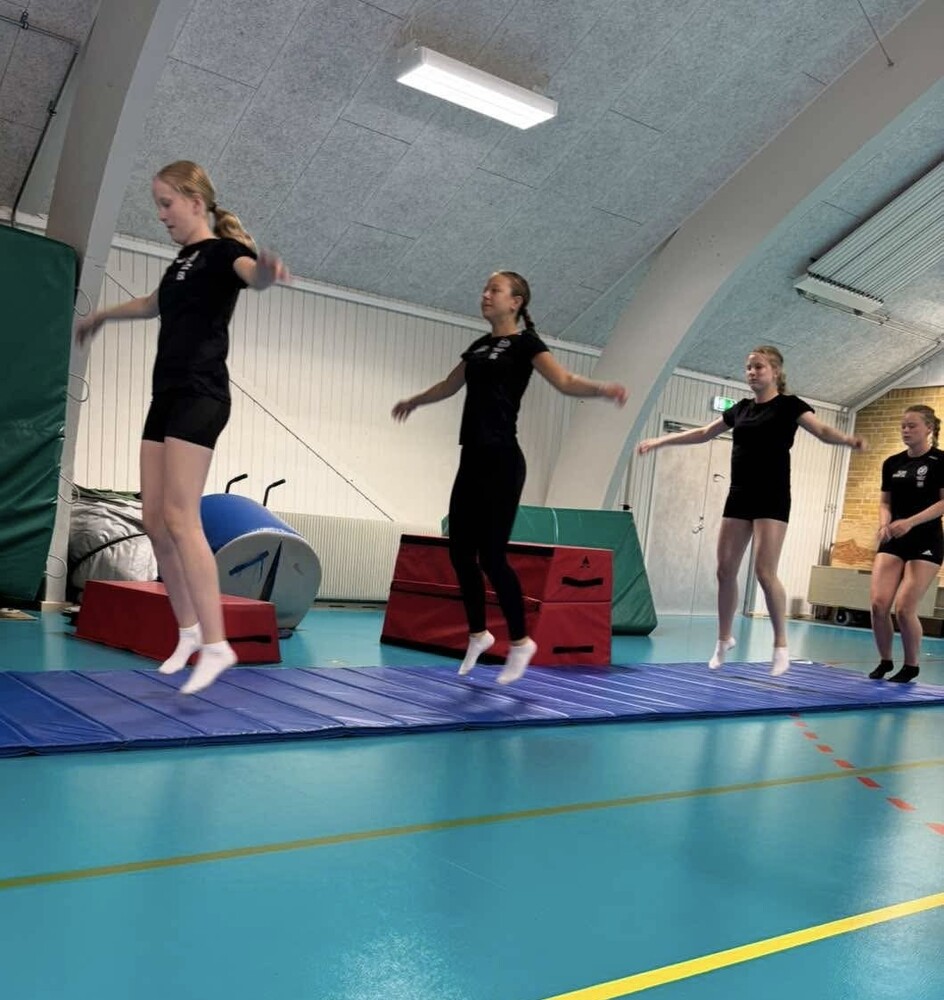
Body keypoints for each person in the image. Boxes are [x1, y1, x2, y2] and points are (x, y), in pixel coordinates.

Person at [75, 160, 289, 694]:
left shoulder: (222, 252)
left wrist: (266, 272)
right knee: (153, 518)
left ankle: (218, 645)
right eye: (159, 205)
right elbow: (153, 304)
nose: (161, 214)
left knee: (180, 516)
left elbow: (251, 275)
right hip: (166, 397)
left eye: (167, 203)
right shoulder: (181, 262)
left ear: (196, 202)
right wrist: (103, 316)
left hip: (201, 394)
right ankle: (189, 631)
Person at [392, 271, 627, 684]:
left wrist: (602, 389)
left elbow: (565, 381)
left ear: (516, 302)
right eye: (485, 289)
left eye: (495, 290)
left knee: (491, 556)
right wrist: (415, 401)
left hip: (502, 460)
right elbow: (448, 385)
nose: (485, 295)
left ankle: (520, 642)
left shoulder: (526, 344)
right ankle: (479, 635)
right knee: (459, 552)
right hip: (471, 459)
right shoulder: (479, 346)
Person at [637, 346, 864, 676]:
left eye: (758, 367)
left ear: (775, 372)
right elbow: (704, 433)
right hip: (740, 494)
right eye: (748, 368)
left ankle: (781, 644)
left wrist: (847, 439)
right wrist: (661, 441)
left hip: (773, 496)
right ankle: (723, 639)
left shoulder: (790, 406)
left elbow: (822, 431)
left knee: (764, 572)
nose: (752, 373)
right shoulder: (741, 409)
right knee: (724, 570)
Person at [868, 405, 944, 683]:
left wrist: (911, 522)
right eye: (903, 426)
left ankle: (911, 665)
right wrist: (884, 524)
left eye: (912, 426)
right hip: (894, 538)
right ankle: (885, 660)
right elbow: (885, 502)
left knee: (904, 607)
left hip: (926, 540)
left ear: (929, 428)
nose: (906, 430)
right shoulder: (892, 463)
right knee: (878, 605)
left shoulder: (940, 461)